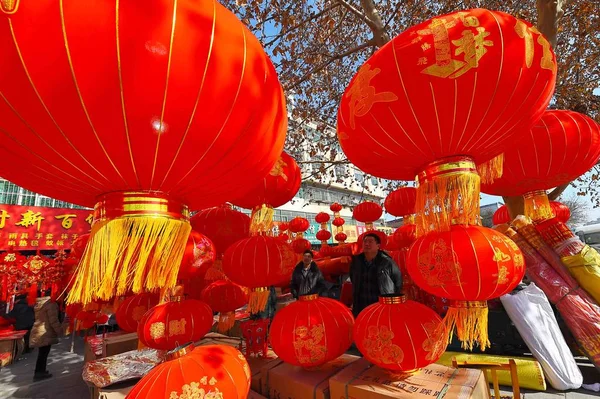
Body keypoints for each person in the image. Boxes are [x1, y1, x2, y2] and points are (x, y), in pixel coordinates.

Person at [349, 233, 402, 317]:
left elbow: (398, 283)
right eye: (365, 241)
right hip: (361, 305)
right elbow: (353, 278)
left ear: (378, 246)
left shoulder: (387, 262)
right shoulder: (356, 262)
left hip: (381, 305)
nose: (367, 244)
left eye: (370, 242)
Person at [29, 291, 63, 381]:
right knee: (43, 354)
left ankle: (41, 371)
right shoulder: (51, 305)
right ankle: (39, 373)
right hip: (45, 331)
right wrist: (60, 330)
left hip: (39, 330)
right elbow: (53, 320)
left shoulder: (40, 303)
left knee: (42, 353)